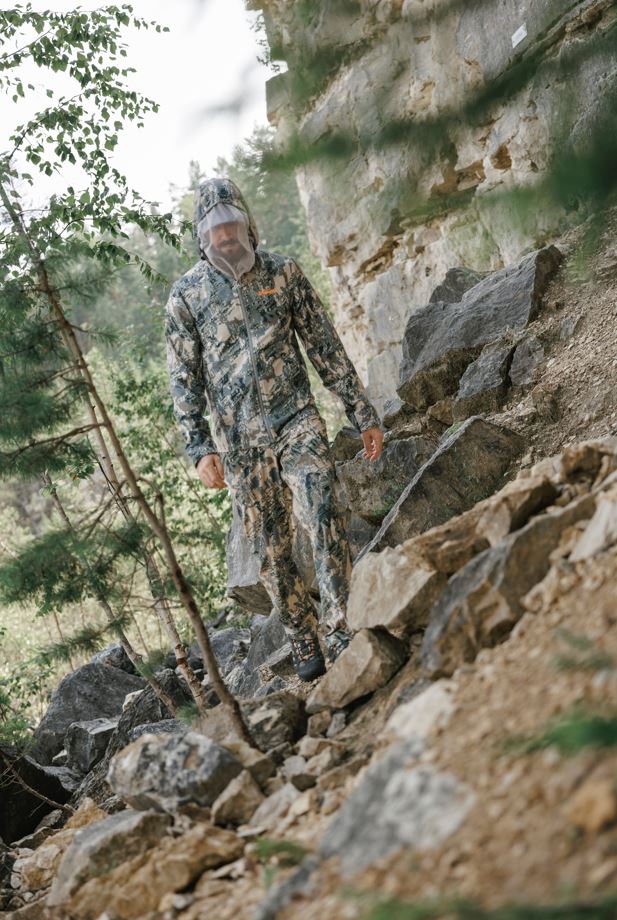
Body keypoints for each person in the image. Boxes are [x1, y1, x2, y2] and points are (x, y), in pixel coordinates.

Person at [165, 177, 383, 681]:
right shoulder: (186, 296)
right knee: (270, 546)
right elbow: (184, 380)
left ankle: (341, 627)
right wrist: (199, 447)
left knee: (322, 504)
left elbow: (324, 346)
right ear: (201, 235)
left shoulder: (282, 273)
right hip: (240, 443)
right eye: (215, 228)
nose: (225, 235)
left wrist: (362, 414)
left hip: (296, 420)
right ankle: (301, 632)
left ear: (248, 223)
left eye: (232, 223)